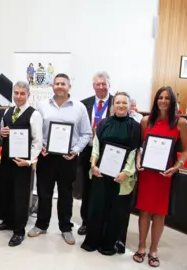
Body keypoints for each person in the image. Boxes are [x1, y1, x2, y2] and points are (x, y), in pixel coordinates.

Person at [28, 73, 92, 245]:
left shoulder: (79, 108)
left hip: (68, 158)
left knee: (65, 194)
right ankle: (41, 224)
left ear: (69, 86)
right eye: (56, 83)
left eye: (63, 83)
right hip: (46, 157)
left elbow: (87, 133)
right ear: (52, 86)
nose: (59, 86)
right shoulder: (42, 106)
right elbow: (36, 130)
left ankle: (65, 227)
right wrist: (40, 146)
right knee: (44, 192)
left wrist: (76, 150)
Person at [133, 86, 187, 267]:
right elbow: (141, 147)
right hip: (147, 174)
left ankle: (153, 249)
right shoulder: (145, 121)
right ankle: (142, 246)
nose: (163, 101)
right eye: (160, 98)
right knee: (144, 212)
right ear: (156, 100)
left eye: (167, 98)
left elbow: (186, 150)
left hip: (165, 175)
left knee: (159, 213)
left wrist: (177, 166)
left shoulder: (180, 123)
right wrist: (138, 160)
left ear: (172, 101)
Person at [80, 92, 141, 255]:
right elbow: (96, 146)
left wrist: (126, 172)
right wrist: (93, 164)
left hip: (121, 177)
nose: (121, 106)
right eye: (118, 102)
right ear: (113, 105)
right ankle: (92, 241)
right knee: (97, 208)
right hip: (101, 174)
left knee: (116, 211)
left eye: (124, 103)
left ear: (129, 105)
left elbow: (134, 152)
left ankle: (109, 245)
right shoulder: (104, 123)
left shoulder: (134, 126)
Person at [0, 81, 43, 247]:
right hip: (6, 159)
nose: (18, 96)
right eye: (16, 93)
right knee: (6, 192)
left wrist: (28, 161)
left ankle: (19, 230)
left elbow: (38, 142)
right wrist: (2, 133)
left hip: (22, 163)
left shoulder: (34, 114)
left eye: (22, 93)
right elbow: (3, 134)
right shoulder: (8, 111)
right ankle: (7, 220)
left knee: (20, 196)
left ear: (28, 95)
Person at [78, 72, 113, 236]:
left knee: (105, 188)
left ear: (108, 85)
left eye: (103, 84)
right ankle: (86, 222)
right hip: (87, 151)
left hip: (108, 153)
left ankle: (103, 222)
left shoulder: (117, 103)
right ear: (93, 86)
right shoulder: (84, 104)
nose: (101, 87)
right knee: (87, 188)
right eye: (97, 84)